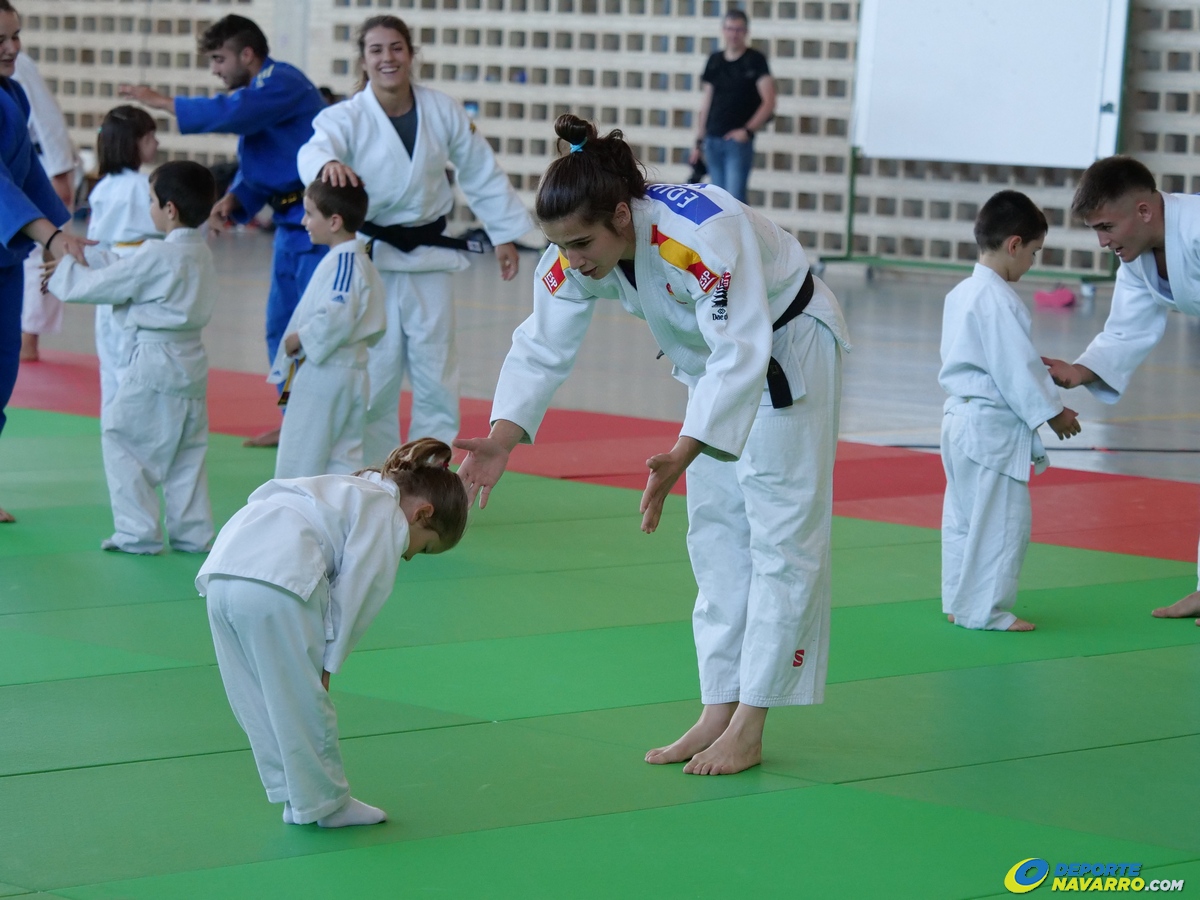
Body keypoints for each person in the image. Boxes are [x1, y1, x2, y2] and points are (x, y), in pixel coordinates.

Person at [456, 115, 851, 776]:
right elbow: (542, 341)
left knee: (782, 538)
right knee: (716, 535)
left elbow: (741, 347)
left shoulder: (700, 235)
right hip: (711, 369)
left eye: (582, 243)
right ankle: (717, 707)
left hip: (787, 348)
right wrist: (503, 436)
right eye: (562, 247)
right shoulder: (575, 247)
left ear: (621, 214)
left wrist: (688, 444)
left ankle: (753, 721)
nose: (574, 260)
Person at [196, 438, 470, 827]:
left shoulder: (350, 487)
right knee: (305, 702)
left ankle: (295, 793)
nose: (410, 556)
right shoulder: (386, 514)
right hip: (279, 580)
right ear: (423, 513)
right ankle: (328, 804)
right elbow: (358, 594)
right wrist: (330, 660)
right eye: (424, 548)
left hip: (224, 570)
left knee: (257, 698)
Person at [297, 15, 532, 464]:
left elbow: (479, 169)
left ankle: (429, 471)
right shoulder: (344, 117)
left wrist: (504, 233)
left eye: (396, 48)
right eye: (376, 50)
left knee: (436, 371)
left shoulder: (442, 110)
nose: (388, 58)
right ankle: (371, 469)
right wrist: (327, 163)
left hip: (429, 258)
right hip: (374, 258)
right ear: (364, 60)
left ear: (411, 53)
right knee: (378, 373)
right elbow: (314, 147)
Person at [119, 14, 329, 449]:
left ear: (248, 55)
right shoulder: (261, 97)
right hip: (291, 228)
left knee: (313, 330)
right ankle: (294, 417)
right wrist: (237, 199)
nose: (215, 70)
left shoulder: (282, 83)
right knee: (279, 329)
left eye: (219, 59)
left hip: (321, 229)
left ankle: (320, 423)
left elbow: (236, 112)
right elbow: (263, 167)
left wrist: (163, 101)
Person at [1043, 156, 1200, 626]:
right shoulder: (1137, 259)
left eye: (1107, 226)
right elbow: (1127, 330)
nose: (1103, 241)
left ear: (1145, 211)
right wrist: (1082, 370)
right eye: (1096, 229)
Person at [48, 161, 217, 555]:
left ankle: (138, 532)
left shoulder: (157, 253)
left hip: (155, 363)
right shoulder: (202, 253)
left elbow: (103, 287)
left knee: (122, 440)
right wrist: (96, 259)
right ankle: (193, 533)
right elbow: (133, 274)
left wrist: (63, 272)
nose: (150, 208)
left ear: (170, 208)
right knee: (186, 453)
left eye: (152, 201)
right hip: (192, 363)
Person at [940, 191, 1081, 633]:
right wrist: (1053, 413)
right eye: (1034, 253)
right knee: (1001, 522)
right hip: (990, 430)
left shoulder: (962, 292)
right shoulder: (999, 299)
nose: (1032, 264)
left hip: (958, 422)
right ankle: (986, 610)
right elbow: (1014, 369)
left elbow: (989, 359)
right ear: (1014, 244)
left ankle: (958, 601)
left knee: (963, 518)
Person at [0, 0, 92, 524]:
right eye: (1, 41)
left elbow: (27, 171)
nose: (12, 49)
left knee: (1, 373)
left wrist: (60, 231)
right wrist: (49, 237)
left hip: (5, 260)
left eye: (17, 36)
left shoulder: (12, 92)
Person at [270, 178, 386, 479]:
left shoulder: (347, 261)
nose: (303, 221)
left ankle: (295, 521)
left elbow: (338, 312)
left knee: (299, 460)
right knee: (342, 461)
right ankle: (339, 521)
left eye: (309, 213)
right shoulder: (351, 259)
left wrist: (302, 338)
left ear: (334, 221)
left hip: (327, 371)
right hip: (344, 371)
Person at [87, 106, 163, 426]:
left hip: (107, 275)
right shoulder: (145, 187)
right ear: (134, 143)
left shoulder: (101, 187)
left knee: (111, 358)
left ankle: (113, 426)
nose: (156, 144)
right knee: (134, 357)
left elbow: (95, 240)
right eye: (150, 138)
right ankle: (137, 426)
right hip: (140, 275)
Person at [13, 52, 78, 362]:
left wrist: (60, 170)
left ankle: (29, 340)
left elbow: (46, 118)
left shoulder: (18, 66)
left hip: (41, 166)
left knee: (40, 254)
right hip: (15, 167)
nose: (10, 47)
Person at [688, 9, 775, 203]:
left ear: (746, 32)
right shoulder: (715, 60)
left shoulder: (755, 61)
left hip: (736, 143)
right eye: (730, 29)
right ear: (723, 31)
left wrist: (747, 130)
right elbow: (707, 102)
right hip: (713, 140)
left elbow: (769, 101)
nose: (734, 34)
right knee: (717, 202)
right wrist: (698, 142)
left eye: (738, 29)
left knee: (735, 201)